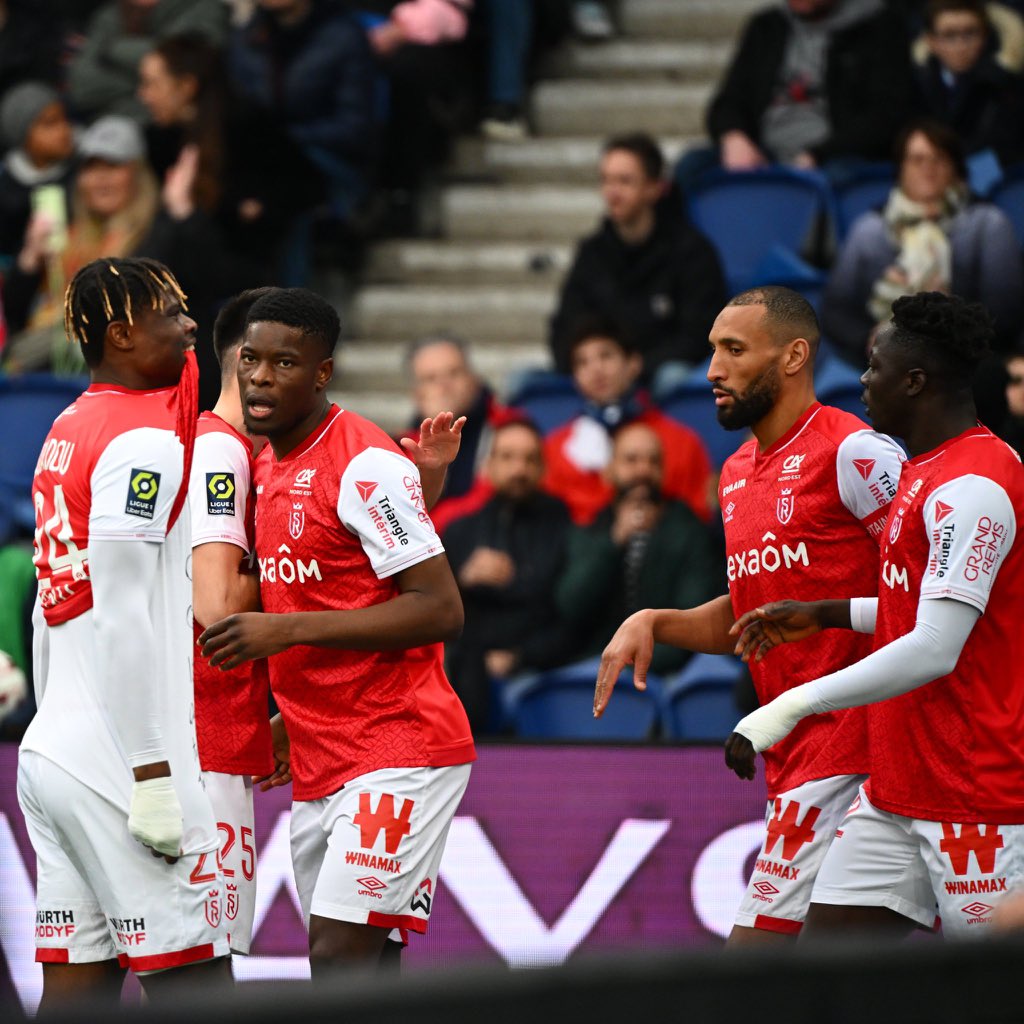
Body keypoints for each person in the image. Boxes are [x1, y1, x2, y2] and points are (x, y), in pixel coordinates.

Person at [593, 286, 906, 943]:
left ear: (793, 356)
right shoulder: (734, 472)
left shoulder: (856, 452)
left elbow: (932, 599)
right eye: (711, 350)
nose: (712, 370)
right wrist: (659, 621)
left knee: (768, 972)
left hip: (865, 752)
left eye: (733, 350)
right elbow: (756, 612)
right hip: (795, 755)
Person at [726, 291, 1024, 941]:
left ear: (915, 382)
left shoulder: (977, 485)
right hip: (893, 791)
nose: (861, 381)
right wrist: (827, 612)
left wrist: (791, 704)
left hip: (972, 795)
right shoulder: (922, 472)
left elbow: (935, 646)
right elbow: (916, 606)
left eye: (874, 368)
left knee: (995, 994)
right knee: (830, 981)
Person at [199, 287, 475, 976]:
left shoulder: (362, 460)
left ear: (322, 372)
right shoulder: (266, 464)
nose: (261, 377)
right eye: (251, 361)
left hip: (401, 745)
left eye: (284, 363)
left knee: (336, 960)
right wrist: (292, 716)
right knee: (367, 967)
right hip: (324, 752)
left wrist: (286, 631)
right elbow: (349, 570)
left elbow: (440, 608)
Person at [18, 257, 231, 1009]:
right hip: (121, 766)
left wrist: (50, 720)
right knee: (203, 994)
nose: (189, 325)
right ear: (121, 333)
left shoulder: (68, 425)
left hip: (54, 751)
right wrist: (150, 775)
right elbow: (120, 612)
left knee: (75, 1002)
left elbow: (53, 605)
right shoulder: (142, 440)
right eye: (170, 313)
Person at [821, 119, 1023, 366]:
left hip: (967, 361)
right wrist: (870, 337)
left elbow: (1006, 311)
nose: (928, 168)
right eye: (917, 159)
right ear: (901, 169)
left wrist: (948, 327)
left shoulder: (987, 224)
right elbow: (835, 312)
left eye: (938, 158)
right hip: (881, 361)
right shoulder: (870, 229)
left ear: (956, 167)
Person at [138, 32, 324, 283]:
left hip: (247, 265)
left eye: (152, 84)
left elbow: (306, 185)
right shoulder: (159, 140)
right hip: (190, 264)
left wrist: (252, 208)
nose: (144, 96)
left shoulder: (246, 126)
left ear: (187, 86)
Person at [550, 132, 726, 388]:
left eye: (624, 181)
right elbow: (564, 328)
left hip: (655, 376)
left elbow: (700, 335)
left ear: (655, 188)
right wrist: (590, 366)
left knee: (674, 378)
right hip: (600, 378)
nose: (612, 192)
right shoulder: (592, 253)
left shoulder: (692, 251)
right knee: (524, 380)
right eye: (606, 181)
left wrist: (634, 368)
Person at [676, 0, 913, 188]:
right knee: (693, 166)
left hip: (837, 156)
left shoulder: (880, 26)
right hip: (765, 153)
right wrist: (734, 137)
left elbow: (887, 117)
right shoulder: (767, 27)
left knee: (842, 178)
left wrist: (818, 155)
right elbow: (728, 100)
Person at [556, 423, 723, 675]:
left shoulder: (688, 531)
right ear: (609, 470)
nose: (643, 470)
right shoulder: (591, 529)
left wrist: (627, 663)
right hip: (593, 665)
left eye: (653, 461)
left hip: (666, 670)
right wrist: (614, 541)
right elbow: (570, 606)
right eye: (631, 460)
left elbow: (693, 617)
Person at [444, 418, 574, 732]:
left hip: (538, 665)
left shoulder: (564, 526)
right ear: (488, 465)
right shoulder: (460, 529)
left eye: (530, 459)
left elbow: (569, 614)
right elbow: (432, 607)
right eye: (508, 457)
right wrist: (463, 580)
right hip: (464, 663)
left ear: (543, 469)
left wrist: (517, 656)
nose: (519, 469)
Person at [542, 318, 712, 525]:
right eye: (582, 362)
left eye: (606, 356)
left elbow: (697, 519)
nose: (595, 369)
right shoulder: (555, 448)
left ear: (633, 364)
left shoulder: (682, 441)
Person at [400, 332, 517, 534]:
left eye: (454, 373)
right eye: (431, 379)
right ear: (416, 395)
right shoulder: (399, 448)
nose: (444, 386)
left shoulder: (511, 428)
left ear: (474, 379)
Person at [65, 0, 228, 121]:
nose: (145, 95)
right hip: (117, 131)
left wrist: (113, 48)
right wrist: (152, 84)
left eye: (150, 84)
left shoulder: (201, 7)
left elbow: (191, 57)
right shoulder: (109, 15)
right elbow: (81, 86)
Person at [912, 0, 1024, 169]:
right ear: (931, 42)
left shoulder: (1007, 87)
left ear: (984, 37)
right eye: (949, 35)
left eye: (970, 33)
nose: (961, 45)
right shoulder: (915, 86)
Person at [0, 82, 76, 266]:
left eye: (64, 119)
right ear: (23, 134)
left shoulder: (82, 173)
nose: (63, 130)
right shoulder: (6, 187)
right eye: (50, 124)